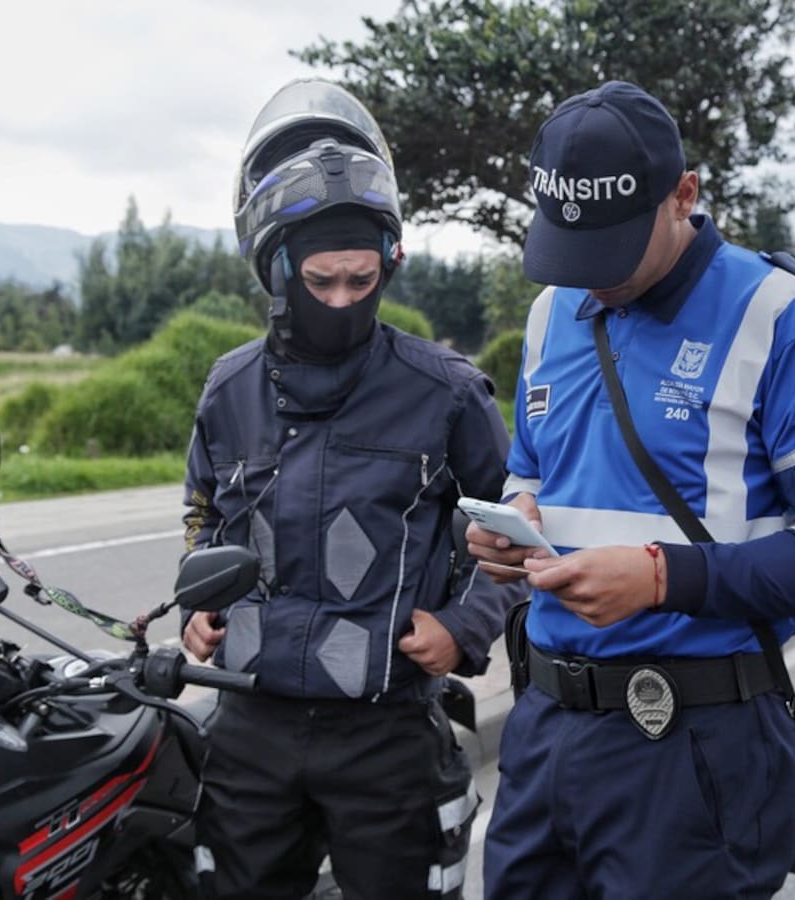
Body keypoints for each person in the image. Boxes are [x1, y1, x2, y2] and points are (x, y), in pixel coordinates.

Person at [470, 80, 795, 899]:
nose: (589, 283)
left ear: (684, 196)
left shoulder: (783, 315)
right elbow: (533, 469)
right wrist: (510, 520)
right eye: (570, 251)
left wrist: (664, 578)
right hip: (544, 732)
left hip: (693, 749)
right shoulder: (552, 314)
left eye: (611, 254)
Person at [180, 78, 520, 900]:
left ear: (387, 266)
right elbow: (201, 512)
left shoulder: (446, 392)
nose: (341, 300)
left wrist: (464, 628)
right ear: (277, 268)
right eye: (321, 281)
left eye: (361, 281)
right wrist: (195, 598)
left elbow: (516, 534)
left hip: (387, 732)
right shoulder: (229, 391)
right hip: (249, 725)